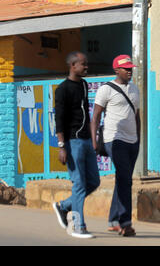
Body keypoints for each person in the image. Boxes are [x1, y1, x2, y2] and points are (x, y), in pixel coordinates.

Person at [91, 54, 140, 237]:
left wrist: (139, 139)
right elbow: (95, 117)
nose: (129, 71)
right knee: (126, 178)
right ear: (116, 70)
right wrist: (94, 141)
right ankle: (125, 223)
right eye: (126, 68)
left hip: (132, 141)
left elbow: (137, 117)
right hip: (114, 139)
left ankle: (113, 220)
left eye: (131, 68)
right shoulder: (106, 89)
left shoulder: (135, 89)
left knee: (123, 178)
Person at [52, 51, 100, 239]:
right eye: (83, 64)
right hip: (72, 143)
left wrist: (92, 139)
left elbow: (85, 115)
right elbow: (59, 119)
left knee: (94, 182)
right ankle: (78, 226)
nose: (86, 67)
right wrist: (61, 145)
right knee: (79, 184)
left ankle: (63, 206)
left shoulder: (84, 85)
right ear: (73, 66)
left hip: (86, 141)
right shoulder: (62, 89)